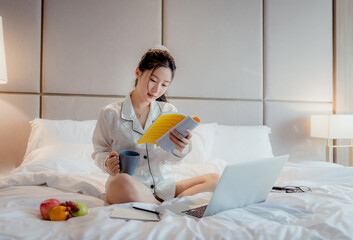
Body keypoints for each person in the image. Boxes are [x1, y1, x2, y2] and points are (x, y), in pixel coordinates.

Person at [92, 45, 219, 205]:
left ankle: (161, 207)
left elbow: (170, 160)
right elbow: (99, 151)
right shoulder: (110, 113)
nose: (157, 89)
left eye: (164, 85)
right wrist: (106, 163)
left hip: (165, 188)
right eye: (153, 80)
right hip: (130, 188)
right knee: (119, 182)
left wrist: (181, 148)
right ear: (138, 73)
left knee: (215, 179)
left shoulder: (168, 111)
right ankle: (168, 207)